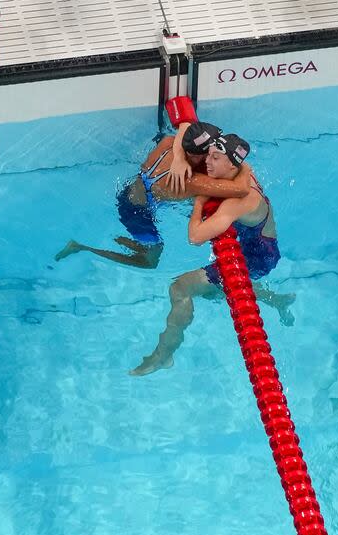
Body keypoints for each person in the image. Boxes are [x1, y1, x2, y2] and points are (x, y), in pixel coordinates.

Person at [130, 133, 288, 376]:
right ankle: (277, 300)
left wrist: (200, 203)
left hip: (255, 258)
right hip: (261, 241)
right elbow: (244, 164)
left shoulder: (239, 201)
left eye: (215, 157)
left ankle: (165, 355)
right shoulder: (242, 170)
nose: (207, 161)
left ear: (231, 165)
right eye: (209, 155)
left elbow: (195, 237)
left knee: (181, 288)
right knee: (214, 292)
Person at [54, 120, 251, 267]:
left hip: (127, 191)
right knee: (151, 261)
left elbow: (182, 130)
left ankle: (130, 241)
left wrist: (179, 159)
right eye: (212, 152)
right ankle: (82, 247)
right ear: (199, 155)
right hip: (138, 214)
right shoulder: (190, 181)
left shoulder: (168, 144)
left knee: (146, 243)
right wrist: (241, 164)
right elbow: (241, 189)